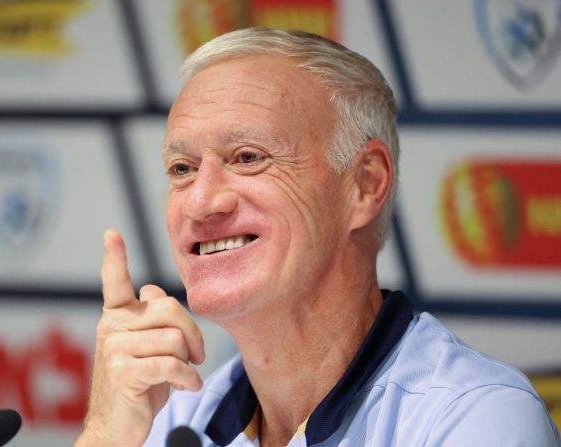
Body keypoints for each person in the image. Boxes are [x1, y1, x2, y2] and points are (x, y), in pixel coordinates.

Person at [74, 27, 560, 447]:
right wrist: (104, 433)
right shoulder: (173, 417)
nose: (201, 202)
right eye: (182, 169)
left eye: (248, 157)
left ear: (365, 184)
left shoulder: (473, 418)